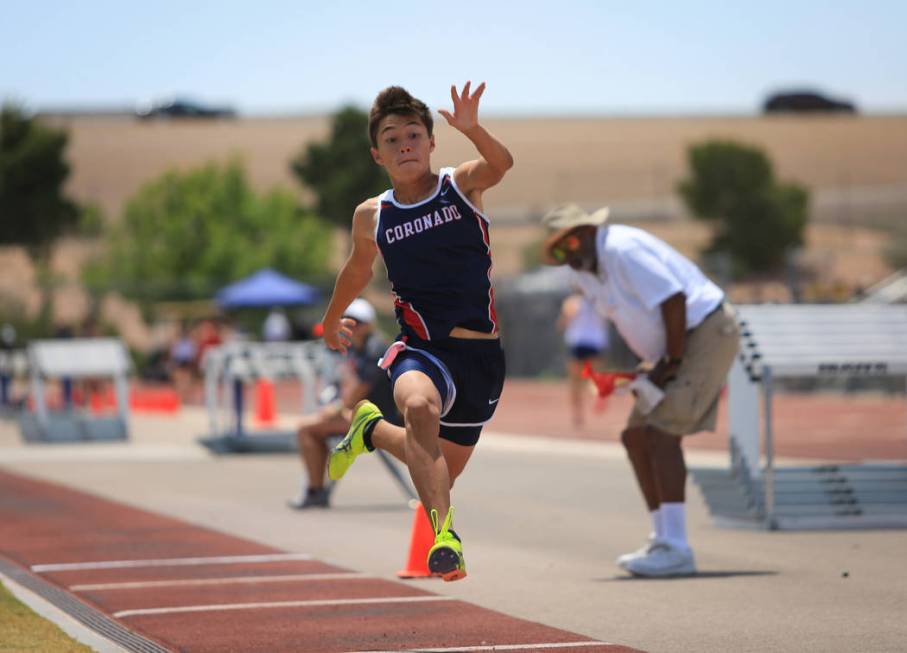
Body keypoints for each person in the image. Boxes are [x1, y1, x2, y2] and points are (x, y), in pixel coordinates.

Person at [320, 82, 513, 581]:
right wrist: (330, 317)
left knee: (440, 469)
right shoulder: (373, 215)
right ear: (377, 155)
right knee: (420, 407)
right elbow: (357, 269)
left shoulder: (460, 185)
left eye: (413, 135)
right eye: (391, 139)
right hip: (420, 349)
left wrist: (473, 130)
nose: (404, 145)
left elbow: (501, 165)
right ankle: (445, 536)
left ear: (431, 143)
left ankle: (369, 429)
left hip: (482, 360)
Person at [540, 204, 739, 577]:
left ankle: (677, 547)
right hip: (670, 350)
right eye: (558, 253)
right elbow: (631, 319)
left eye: (565, 248)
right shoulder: (585, 271)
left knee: (659, 434)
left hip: (704, 332)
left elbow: (673, 300)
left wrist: (672, 363)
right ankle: (662, 538)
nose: (564, 258)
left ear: (582, 235)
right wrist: (647, 366)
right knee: (635, 436)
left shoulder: (622, 250)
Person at [287, 298, 399, 509]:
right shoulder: (358, 348)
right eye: (346, 320)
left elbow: (358, 393)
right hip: (361, 412)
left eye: (356, 322)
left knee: (306, 429)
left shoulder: (375, 349)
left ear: (368, 325)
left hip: (379, 417)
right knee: (312, 428)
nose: (349, 326)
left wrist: (334, 409)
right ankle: (316, 489)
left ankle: (315, 491)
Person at [558, 293, 609, 428]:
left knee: (575, 382)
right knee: (594, 378)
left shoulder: (573, 302)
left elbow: (563, 322)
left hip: (578, 343)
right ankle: (597, 394)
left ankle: (578, 415)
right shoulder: (601, 301)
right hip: (596, 343)